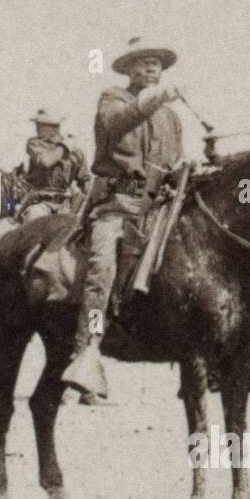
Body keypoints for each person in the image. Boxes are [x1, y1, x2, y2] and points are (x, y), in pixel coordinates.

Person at [62, 37, 183, 401]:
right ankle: (86, 353)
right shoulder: (113, 99)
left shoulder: (171, 117)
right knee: (101, 273)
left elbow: (176, 160)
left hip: (160, 206)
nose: (151, 70)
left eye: (156, 65)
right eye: (143, 63)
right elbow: (117, 123)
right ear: (128, 69)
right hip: (119, 203)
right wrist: (154, 99)